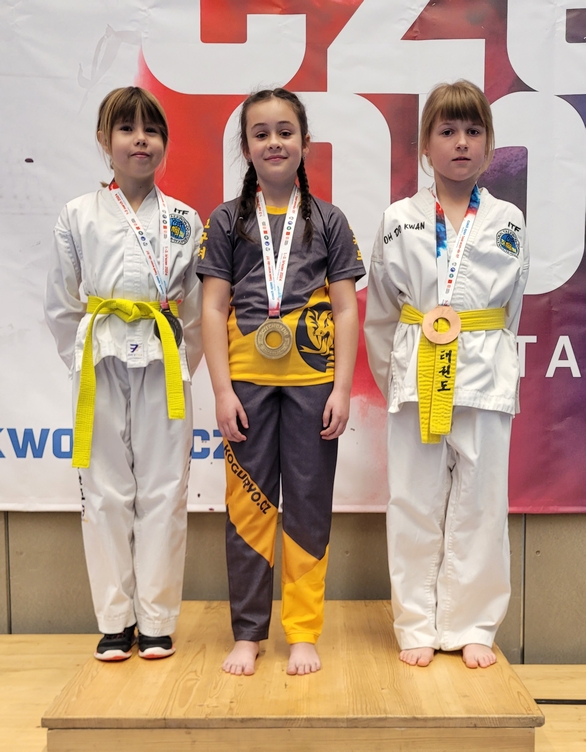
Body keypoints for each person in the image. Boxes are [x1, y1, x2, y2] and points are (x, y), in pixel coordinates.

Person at [199, 88, 364, 676]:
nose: (274, 142)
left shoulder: (329, 220)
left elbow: (346, 309)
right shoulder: (226, 219)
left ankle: (303, 632)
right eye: (261, 133)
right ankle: (248, 633)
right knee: (248, 510)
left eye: (285, 131)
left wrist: (341, 388)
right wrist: (221, 391)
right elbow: (212, 308)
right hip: (244, 385)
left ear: (305, 143)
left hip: (314, 386)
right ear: (245, 147)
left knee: (308, 507)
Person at [364, 80, 529, 669]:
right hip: (417, 375)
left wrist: (497, 364)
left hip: (483, 375)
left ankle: (473, 624)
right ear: (424, 146)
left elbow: (511, 310)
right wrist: (397, 376)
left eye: (473, 131)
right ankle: (416, 622)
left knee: (483, 502)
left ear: (489, 144)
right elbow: (381, 313)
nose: (461, 142)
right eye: (448, 130)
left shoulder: (508, 220)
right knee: (414, 500)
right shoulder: (398, 219)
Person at [45, 87, 203, 661]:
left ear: (164, 143)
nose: (141, 140)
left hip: (164, 360)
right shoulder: (77, 214)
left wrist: (181, 365)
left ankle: (156, 619)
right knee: (106, 492)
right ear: (103, 140)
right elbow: (61, 304)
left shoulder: (184, 219)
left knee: (165, 491)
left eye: (152, 131)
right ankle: (116, 620)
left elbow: (195, 308)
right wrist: (82, 359)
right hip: (100, 360)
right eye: (127, 129)